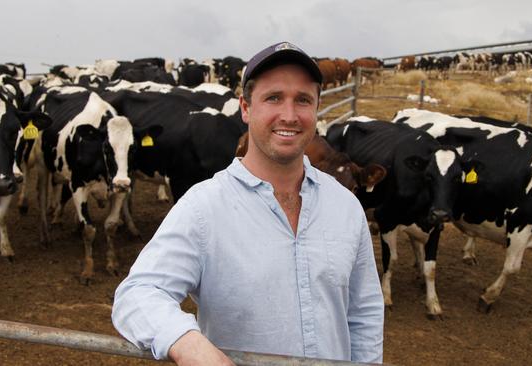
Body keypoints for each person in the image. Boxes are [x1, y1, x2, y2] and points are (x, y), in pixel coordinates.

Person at [111, 41, 384, 365]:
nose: (289, 115)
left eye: (303, 100)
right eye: (273, 98)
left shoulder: (345, 205)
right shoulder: (204, 207)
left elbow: (364, 312)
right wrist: (187, 343)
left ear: (316, 110)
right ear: (245, 107)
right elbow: (138, 293)